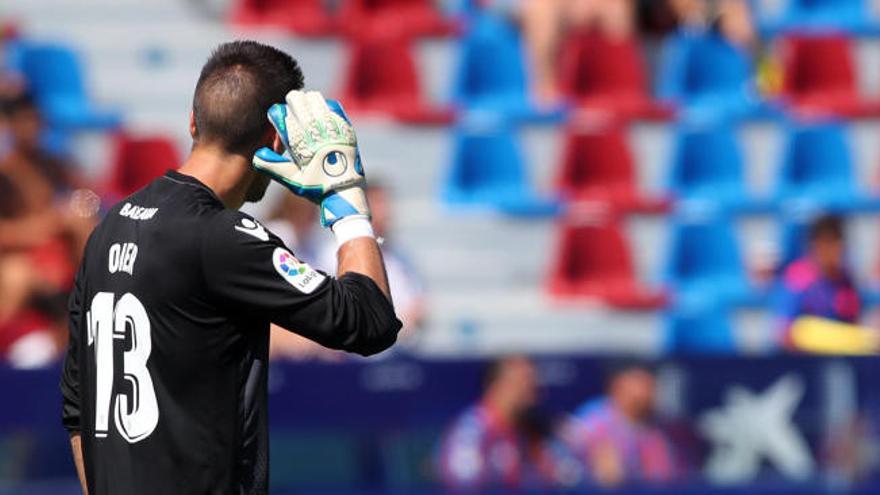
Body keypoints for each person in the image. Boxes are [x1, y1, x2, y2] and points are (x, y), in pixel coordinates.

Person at [60, 40, 401, 494]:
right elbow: (369, 320)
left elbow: (77, 411)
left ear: (192, 121)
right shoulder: (223, 238)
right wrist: (347, 198)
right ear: (277, 140)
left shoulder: (108, 229)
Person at [437, 356, 580, 491]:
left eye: (534, 386)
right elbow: (463, 485)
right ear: (498, 386)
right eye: (524, 385)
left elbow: (569, 476)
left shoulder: (535, 430)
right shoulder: (471, 431)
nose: (534, 395)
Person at [566, 363, 676, 487]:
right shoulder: (595, 422)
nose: (648, 391)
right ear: (618, 385)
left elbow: (663, 475)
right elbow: (608, 478)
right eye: (641, 383)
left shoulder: (657, 426)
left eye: (650, 385)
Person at [774, 215, 861, 350]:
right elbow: (784, 333)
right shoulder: (798, 278)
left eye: (835, 243)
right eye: (825, 243)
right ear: (814, 246)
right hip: (805, 360)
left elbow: (852, 323)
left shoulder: (846, 279)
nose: (831, 251)